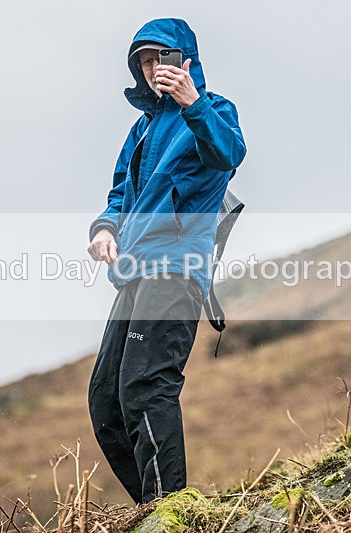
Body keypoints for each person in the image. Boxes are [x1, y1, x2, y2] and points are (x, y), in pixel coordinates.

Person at [86, 17, 246, 504]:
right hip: (133, 271)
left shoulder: (214, 109)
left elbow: (228, 154)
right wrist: (104, 228)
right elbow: (120, 193)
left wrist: (191, 102)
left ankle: (168, 508)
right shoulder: (141, 128)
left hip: (176, 270)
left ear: (187, 60)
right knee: (106, 403)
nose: (155, 68)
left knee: (145, 387)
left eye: (163, 57)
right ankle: (155, 509)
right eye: (146, 61)